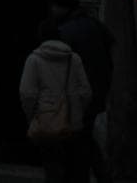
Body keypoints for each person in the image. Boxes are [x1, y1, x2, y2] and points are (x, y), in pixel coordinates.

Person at [50, 0, 115, 181]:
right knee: (86, 142)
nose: (53, 10)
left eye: (55, 6)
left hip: (75, 99)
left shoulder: (65, 32)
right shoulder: (95, 26)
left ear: (64, 7)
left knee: (75, 151)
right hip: (95, 95)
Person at [20, 16, 93, 183]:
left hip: (47, 125)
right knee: (74, 171)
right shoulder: (73, 59)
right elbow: (86, 92)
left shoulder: (34, 60)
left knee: (52, 170)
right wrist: (76, 112)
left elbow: (27, 94)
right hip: (73, 127)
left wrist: (33, 116)